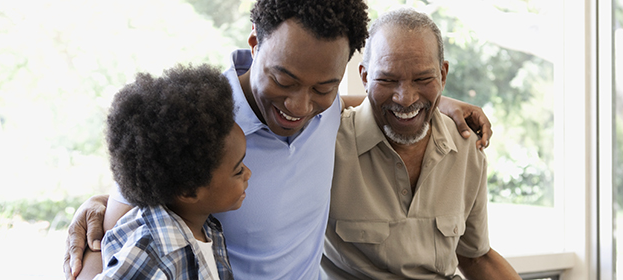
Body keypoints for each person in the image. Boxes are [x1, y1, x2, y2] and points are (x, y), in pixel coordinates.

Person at [63, 1, 493, 279]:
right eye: (282, 79)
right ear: (254, 43)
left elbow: (375, 101)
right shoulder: (193, 124)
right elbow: (115, 247)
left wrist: (439, 102)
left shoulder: (328, 111)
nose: (299, 107)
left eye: (322, 87)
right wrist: (100, 209)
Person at [321, 8, 519, 279]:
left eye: (423, 79)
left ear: (443, 75)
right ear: (365, 77)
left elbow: (474, 257)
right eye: (388, 79)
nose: (405, 98)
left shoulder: (466, 147)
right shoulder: (327, 141)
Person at [95, 64, 250, 279]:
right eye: (238, 170)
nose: (248, 173)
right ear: (188, 191)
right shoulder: (151, 255)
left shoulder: (206, 227)